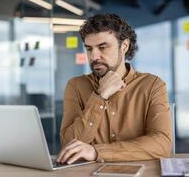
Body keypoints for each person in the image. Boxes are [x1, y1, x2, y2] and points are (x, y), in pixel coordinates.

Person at [56, 13, 172, 164]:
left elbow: (162, 144)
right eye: (89, 49)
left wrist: (97, 152)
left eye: (102, 47)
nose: (94, 56)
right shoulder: (76, 86)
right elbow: (69, 146)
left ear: (124, 46)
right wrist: (100, 96)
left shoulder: (153, 85)